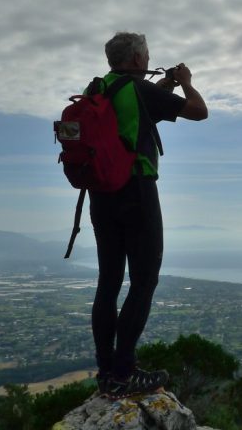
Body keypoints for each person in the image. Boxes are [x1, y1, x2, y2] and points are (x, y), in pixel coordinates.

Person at [89, 32, 208, 398]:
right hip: (136, 193)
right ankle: (125, 373)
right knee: (144, 281)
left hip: (100, 195)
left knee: (109, 282)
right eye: (147, 54)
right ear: (139, 58)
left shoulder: (99, 87)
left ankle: (108, 370)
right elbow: (199, 112)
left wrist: (164, 83)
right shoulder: (140, 90)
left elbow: (138, 109)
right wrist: (186, 83)